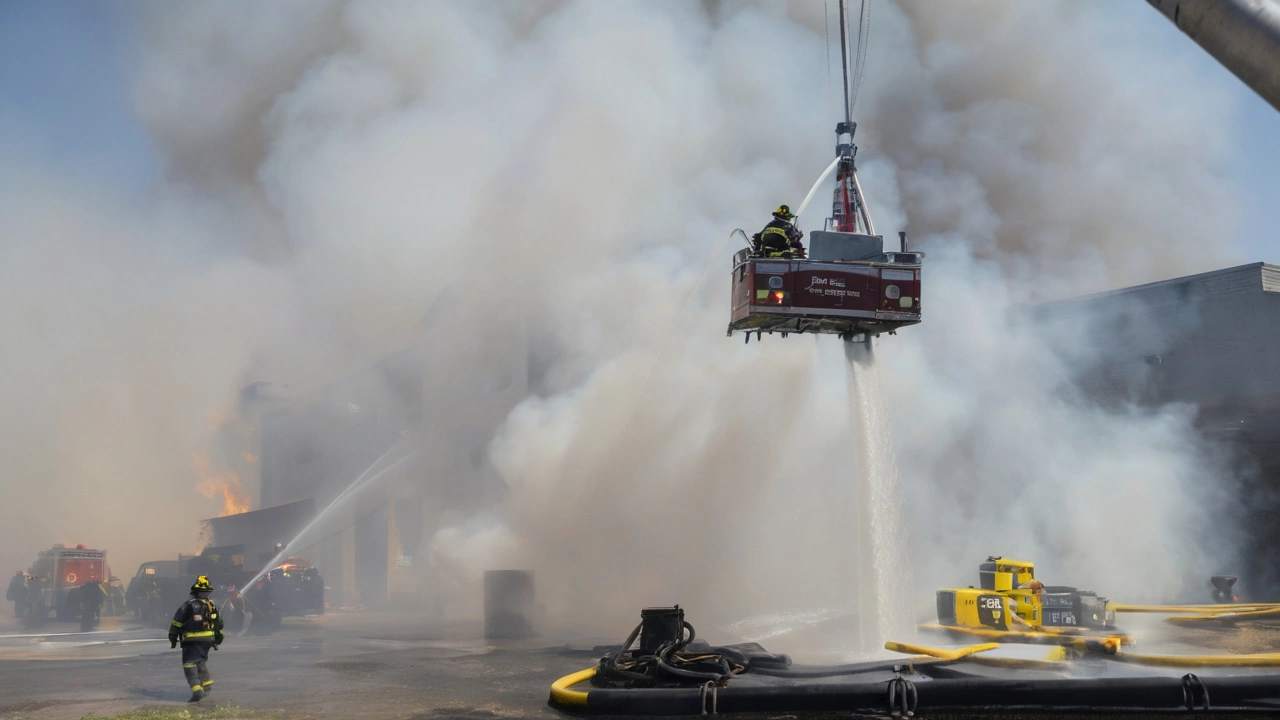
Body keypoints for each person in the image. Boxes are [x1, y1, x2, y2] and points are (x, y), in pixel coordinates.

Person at [168, 576, 224, 702]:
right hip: (208, 639)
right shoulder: (212, 605)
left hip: (191, 640)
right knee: (200, 661)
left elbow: (176, 623)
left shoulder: (188, 605)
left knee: (189, 664)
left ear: (195, 591)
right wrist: (215, 641)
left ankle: (196, 690)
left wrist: (173, 638)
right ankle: (207, 684)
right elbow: (219, 624)